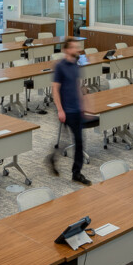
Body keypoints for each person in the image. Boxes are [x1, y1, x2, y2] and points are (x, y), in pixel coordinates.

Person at [47, 37, 93, 184]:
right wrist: (60, 110)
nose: (77, 49)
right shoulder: (60, 66)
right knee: (74, 141)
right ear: (66, 49)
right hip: (66, 110)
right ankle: (70, 169)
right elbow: (55, 90)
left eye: (77, 47)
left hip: (76, 109)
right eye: (73, 47)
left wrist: (83, 106)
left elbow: (77, 87)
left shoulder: (76, 65)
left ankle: (66, 167)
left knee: (74, 141)